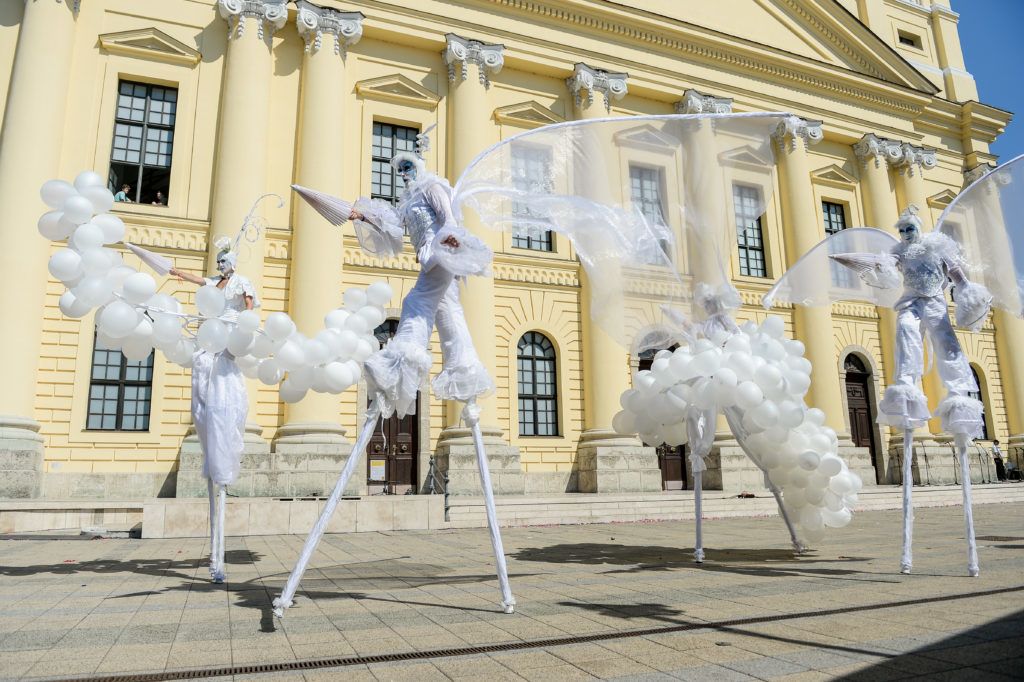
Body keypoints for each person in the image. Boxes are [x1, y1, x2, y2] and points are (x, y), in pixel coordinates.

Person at [169, 242, 259, 582]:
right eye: (219, 261)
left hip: (228, 340)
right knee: (204, 394)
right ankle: (214, 558)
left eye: (224, 261)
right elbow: (200, 281)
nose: (220, 265)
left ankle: (218, 559)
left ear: (232, 263)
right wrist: (177, 271)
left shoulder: (240, 282)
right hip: (210, 341)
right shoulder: (215, 283)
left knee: (223, 399)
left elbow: (249, 305)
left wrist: (245, 326)